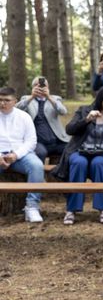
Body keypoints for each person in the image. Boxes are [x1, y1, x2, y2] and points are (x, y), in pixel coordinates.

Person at [51, 85, 103, 225]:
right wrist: (86, 119)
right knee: (78, 162)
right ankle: (71, 209)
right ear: (101, 98)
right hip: (80, 151)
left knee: (98, 163)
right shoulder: (84, 110)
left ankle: (102, 208)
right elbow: (69, 130)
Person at [0, 87, 45, 223]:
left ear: (15, 101)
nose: (2, 103)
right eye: (0, 100)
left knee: (37, 165)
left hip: (20, 154)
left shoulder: (24, 116)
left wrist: (16, 155)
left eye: (6, 100)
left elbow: (31, 141)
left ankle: (32, 207)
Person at [16, 76, 70, 162]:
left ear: (47, 87)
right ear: (33, 87)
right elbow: (16, 110)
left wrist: (49, 97)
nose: (40, 87)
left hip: (56, 139)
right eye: (37, 85)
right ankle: (38, 173)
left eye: (43, 85)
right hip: (37, 141)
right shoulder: (26, 98)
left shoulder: (55, 98)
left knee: (69, 150)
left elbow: (63, 112)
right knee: (41, 152)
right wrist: (32, 97)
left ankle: (59, 174)